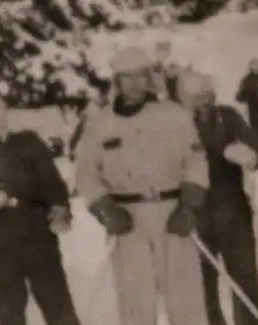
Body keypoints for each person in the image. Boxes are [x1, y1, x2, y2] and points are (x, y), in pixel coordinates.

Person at [75, 46, 209, 325]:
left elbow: (196, 161)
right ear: (117, 82)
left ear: (149, 78)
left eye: (140, 76)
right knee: (136, 301)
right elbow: (86, 173)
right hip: (128, 218)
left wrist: (190, 206)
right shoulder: (101, 124)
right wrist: (105, 209)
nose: (135, 83)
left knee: (184, 299)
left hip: (173, 213)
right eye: (127, 77)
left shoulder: (174, 115)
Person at [0, 86, 80, 325]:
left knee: (57, 304)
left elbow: (52, 185)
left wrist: (59, 210)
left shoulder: (27, 143)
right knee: (9, 311)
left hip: (37, 235)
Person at [177, 69, 258, 325]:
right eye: (197, 97)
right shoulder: (178, 126)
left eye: (207, 95)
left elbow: (255, 146)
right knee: (202, 283)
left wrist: (251, 156)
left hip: (232, 208)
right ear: (185, 100)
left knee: (244, 276)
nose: (205, 102)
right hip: (196, 212)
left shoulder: (227, 117)